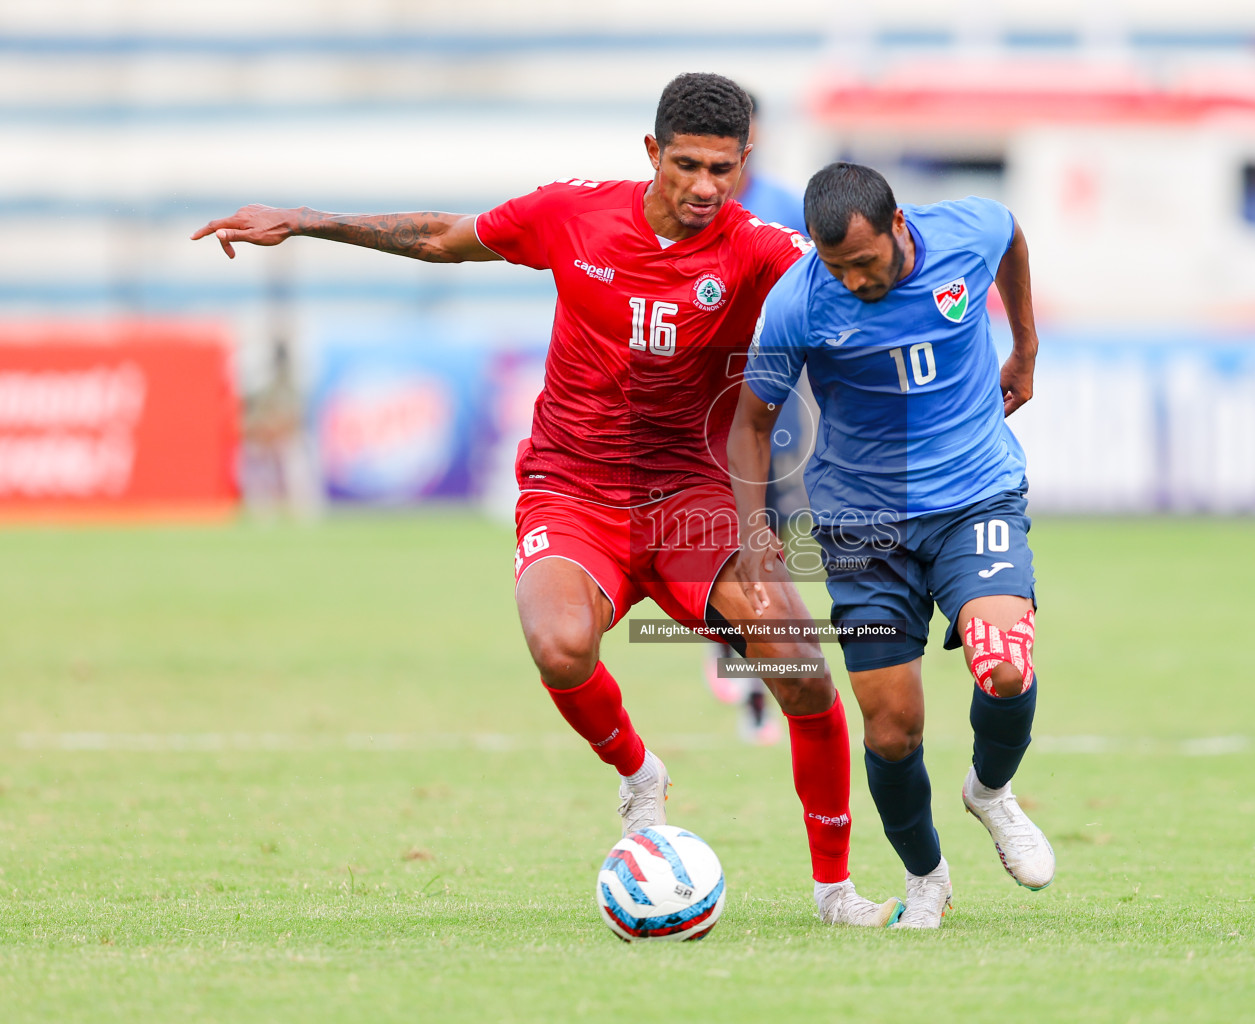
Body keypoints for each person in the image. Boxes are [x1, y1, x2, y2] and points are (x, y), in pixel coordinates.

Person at [191, 76, 900, 928]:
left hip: (694, 500)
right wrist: (307, 220)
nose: (705, 186)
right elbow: (442, 237)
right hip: (573, 487)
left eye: (722, 167)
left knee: (800, 673)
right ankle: (640, 776)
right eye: (686, 165)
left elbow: (870, 286)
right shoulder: (573, 214)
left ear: (745, 162)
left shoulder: (763, 250)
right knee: (561, 646)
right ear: (652, 154)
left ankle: (835, 893)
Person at [728, 162, 1054, 929]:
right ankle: (926, 878)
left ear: (900, 224)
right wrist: (752, 534)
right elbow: (750, 423)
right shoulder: (799, 302)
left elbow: (1011, 234)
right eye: (835, 266)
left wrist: (1026, 348)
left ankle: (991, 793)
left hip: (975, 495)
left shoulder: (962, 236)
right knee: (890, 726)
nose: (852, 280)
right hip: (862, 525)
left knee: (1004, 665)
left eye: (865, 263)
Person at [700, 91, 811, 746]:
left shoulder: (785, 204)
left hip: (771, 402)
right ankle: (738, 672)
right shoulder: (695, 205)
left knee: (770, 533)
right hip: (706, 401)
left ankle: (756, 690)